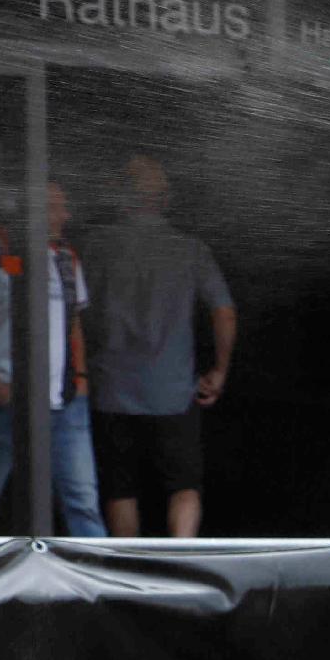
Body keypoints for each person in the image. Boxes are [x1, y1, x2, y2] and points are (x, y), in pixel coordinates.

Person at [89, 156, 235, 538]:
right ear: (165, 199)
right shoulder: (191, 250)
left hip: (112, 391)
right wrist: (219, 371)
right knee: (184, 486)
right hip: (173, 393)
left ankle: (129, 572)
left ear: (121, 197)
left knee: (121, 490)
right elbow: (225, 312)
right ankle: (182, 559)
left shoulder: (97, 247)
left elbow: (73, 310)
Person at [0, 183, 99, 535]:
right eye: (56, 207)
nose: (65, 215)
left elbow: (75, 322)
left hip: (64, 402)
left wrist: (81, 379)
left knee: (83, 502)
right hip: (8, 399)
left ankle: (102, 586)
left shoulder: (65, 257)